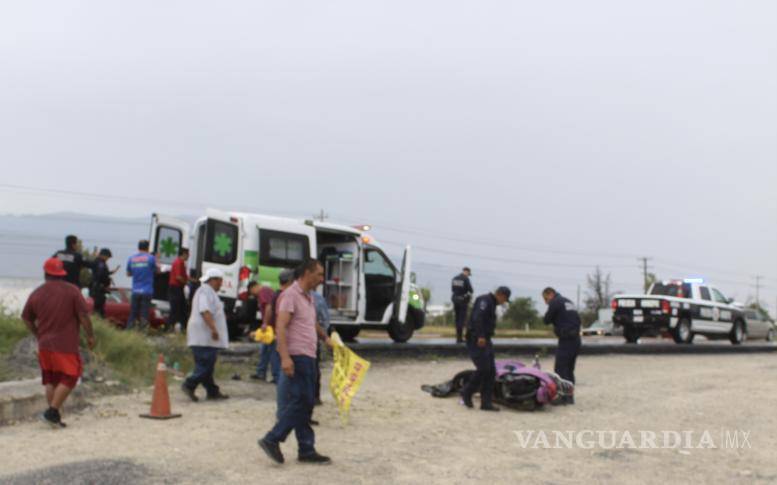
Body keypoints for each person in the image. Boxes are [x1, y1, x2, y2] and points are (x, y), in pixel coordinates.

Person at [258, 259, 332, 465]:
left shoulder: (308, 297)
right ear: (307, 273)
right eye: (319, 274)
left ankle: (306, 448)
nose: (321, 279)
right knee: (302, 401)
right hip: (297, 356)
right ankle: (273, 438)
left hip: (309, 356)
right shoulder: (290, 295)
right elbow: (281, 327)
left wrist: (325, 338)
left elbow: (311, 323)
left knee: (305, 403)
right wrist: (285, 357)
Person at [21, 257, 96, 428]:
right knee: (71, 375)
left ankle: (53, 418)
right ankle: (52, 412)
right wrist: (90, 336)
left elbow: (26, 318)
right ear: (62, 273)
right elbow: (83, 316)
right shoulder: (72, 290)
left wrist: (38, 333)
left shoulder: (37, 293)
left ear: (45, 273)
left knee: (51, 380)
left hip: (44, 344)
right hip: (65, 344)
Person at [181, 268, 230, 402]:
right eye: (220, 281)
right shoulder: (205, 291)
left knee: (206, 364)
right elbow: (205, 311)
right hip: (203, 336)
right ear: (213, 280)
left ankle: (212, 391)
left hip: (205, 336)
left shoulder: (209, 292)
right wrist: (213, 329)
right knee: (206, 364)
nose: (221, 284)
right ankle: (189, 384)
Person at [460, 286, 511, 412]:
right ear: (501, 295)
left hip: (486, 340)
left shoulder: (491, 303)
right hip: (477, 339)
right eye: (505, 299)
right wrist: (481, 336)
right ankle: (467, 392)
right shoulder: (485, 300)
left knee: (491, 371)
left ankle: (486, 403)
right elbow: (478, 318)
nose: (503, 302)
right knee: (483, 368)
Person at [542, 287, 582, 404]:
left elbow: (546, 320)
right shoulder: (568, 301)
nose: (546, 302)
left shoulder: (555, 302)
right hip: (576, 340)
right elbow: (577, 319)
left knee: (560, 369)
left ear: (550, 294)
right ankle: (570, 397)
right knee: (569, 369)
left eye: (545, 299)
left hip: (566, 340)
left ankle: (563, 397)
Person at [251, 273, 291, 383]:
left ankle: (275, 375)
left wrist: (265, 323)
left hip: (272, 327)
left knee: (273, 351)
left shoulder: (264, 292)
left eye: (252, 291)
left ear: (254, 287)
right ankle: (262, 372)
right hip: (273, 326)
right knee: (266, 350)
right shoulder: (276, 293)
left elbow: (269, 307)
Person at [125, 240, 157, 330]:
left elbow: (128, 274)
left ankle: (129, 331)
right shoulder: (151, 258)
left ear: (138, 247)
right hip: (147, 291)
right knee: (144, 314)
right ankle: (143, 332)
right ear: (147, 247)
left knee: (133, 314)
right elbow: (157, 270)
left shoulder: (131, 258)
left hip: (135, 291)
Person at [312, 290, 330, 406]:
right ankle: (315, 397)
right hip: (313, 340)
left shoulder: (289, 295)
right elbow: (324, 319)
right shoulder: (317, 297)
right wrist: (324, 336)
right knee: (314, 369)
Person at [167, 248, 190, 332]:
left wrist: (192, 280)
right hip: (175, 288)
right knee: (175, 308)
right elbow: (178, 277)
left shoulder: (182, 263)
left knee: (182, 308)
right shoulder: (178, 262)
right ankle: (169, 327)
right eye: (187, 254)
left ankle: (182, 326)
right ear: (183, 254)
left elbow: (185, 276)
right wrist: (186, 283)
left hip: (179, 288)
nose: (188, 256)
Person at [89, 248, 114, 318]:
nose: (107, 259)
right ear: (103, 255)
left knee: (98, 309)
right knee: (98, 310)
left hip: (97, 288)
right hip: (98, 289)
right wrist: (107, 280)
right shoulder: (100, 263)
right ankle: (98, 321)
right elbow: (101, 275)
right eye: (107, 257)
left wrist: (109, 273)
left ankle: (97, 320)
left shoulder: (98, 262)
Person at [451, 267, 474, 343]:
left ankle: (458, 338)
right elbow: (471, 290)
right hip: (462, 301)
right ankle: (460, 339)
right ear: (467, 272)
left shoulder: (454, 278)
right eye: (468, 274)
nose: (468, 275)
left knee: (457, 319)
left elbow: (453, 289)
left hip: (455, 300)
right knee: (462, 320)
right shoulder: (465, 279)